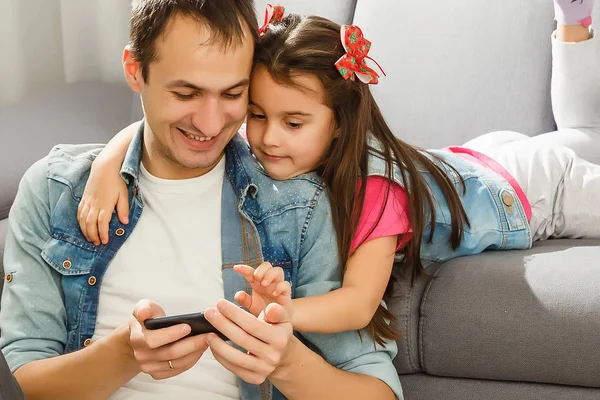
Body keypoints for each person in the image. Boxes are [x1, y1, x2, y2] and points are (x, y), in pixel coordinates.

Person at [77, 0, 600, 349]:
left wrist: (283, 313)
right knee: (581, 131)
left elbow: (356, 302)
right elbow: (155, 129)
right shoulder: (257, 137)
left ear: (339, 122)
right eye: (256, 114)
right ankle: (577, 27)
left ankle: (574, 25)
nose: (266, 136)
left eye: (293, 122)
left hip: (532, 189)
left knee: (582, 132)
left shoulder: (374, 189)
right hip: (474, 159)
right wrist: (107, 165)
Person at [0, 1, 402, 399]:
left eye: (232, 94)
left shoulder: (300, 206)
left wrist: (284, 362)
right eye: (186, 93)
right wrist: (124, 355)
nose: (209, 124)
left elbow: (379, 392)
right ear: (135, 70)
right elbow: (18, 382)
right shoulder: (56, 189)